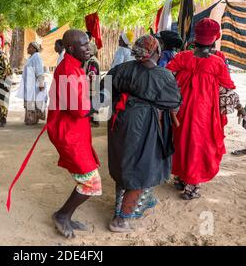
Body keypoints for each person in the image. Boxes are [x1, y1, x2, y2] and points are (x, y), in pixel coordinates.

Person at [105, 34, 181, 232]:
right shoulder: (163, 75)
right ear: (156, 51)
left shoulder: (121, 69)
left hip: (120, 121)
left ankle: (127, 208)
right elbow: (173, 102)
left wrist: (123, 101)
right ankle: (120, 221)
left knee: (125, 164)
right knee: (141, 167)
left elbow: (103, 90)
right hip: (144, 123)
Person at [166, 18, 236, 200]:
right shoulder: (217, 63)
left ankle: (181, 178)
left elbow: (166, 77)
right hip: (204, 113)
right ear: (214, 39)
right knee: (198, 145)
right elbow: (228, 87)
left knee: (181, 141)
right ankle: (192, 186)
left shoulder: (181, 57)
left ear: (195, 38)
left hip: (180, 110)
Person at [47, 29, 101, 239]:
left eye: (88, 43)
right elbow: (79, 109)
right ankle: (62, 215)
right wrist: (100, 99)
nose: (89, 48)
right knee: (91, 181)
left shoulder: (73, 66)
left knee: (86, 177)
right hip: (68, 133)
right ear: (71, 48)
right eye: (84, 45)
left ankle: (66, 215)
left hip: (75, 132)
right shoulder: (69, 69)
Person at [17, 41, 47, 125]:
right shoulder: (31, 58)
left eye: (29, 47)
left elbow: (40, 72)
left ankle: (33, 119)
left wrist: (41, 84)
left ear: (34, 48)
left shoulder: (36, 57)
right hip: (30, 85)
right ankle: (31, 118)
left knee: (33, 101)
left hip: (35, 85)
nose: (27, 49)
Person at [83, 41, 101, 127]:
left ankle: (93, 120)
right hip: (94, 85)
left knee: (91, 101)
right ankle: (94, 119)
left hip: (92, 86)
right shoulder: (92, 60)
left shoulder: (92, 61)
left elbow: (92, 73)